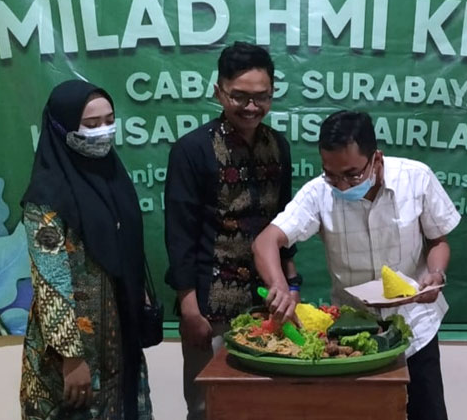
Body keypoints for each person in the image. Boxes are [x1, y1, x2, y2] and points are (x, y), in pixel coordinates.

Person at [252, 110, 460, 420]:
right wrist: (279, 286)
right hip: (352, 339)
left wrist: (436, 272)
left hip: (416, 327)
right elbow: (266, 241)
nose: (343, 186)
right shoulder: (319, 192)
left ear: (376, 158)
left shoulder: (416, 178)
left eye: (352, 174)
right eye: (331, 174)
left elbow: (437, 241)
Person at [164, 41, 297, 420]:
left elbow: (284, 224)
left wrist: (292, 285)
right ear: (218, 91)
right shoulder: (192, 150)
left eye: (262, 97)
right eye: (240, 96)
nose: (252, 107)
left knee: (266, 404)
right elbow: (179, 234)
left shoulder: (279, 146)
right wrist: (189, 310)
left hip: (268, 303)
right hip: (211, 305)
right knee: (210, 405)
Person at [19, 80, 152, 419]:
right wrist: (71, 357)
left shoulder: (113, 177)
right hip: (71, 351)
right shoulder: (45, 195)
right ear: (62, 128)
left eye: (109, 120)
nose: (104, 132)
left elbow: (130, 249)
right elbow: (50, 281)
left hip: (120, 336)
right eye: (91, 125)